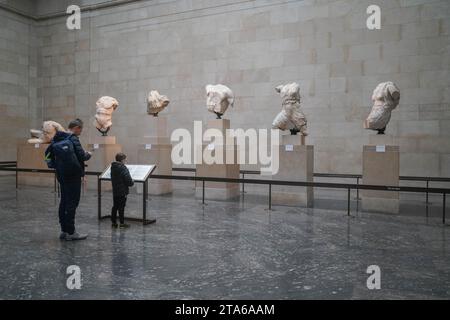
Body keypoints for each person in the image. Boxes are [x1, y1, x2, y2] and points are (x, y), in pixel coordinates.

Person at [45, 119, 92, 241]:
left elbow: (49, 154)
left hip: (61, 175)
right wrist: (89, 154)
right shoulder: (73, 138)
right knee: (72, 203)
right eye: (80, 129)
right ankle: (71, 232)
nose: (81, 132)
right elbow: (82, 156)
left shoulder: (58, 138)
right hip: (73, 176)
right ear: (76, 127)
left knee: (64, 202)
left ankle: (64, 231)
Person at [110, 153, 134, 229]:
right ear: (122, 160)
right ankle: (122, 223)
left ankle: (114, 223)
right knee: (121, 207)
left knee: (115, 206)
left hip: (115, 190)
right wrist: (132, 182)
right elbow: (128, 180)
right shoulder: (123, 168)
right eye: (125, 159)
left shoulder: (113, 167)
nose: (125, 161)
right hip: (122, 191)